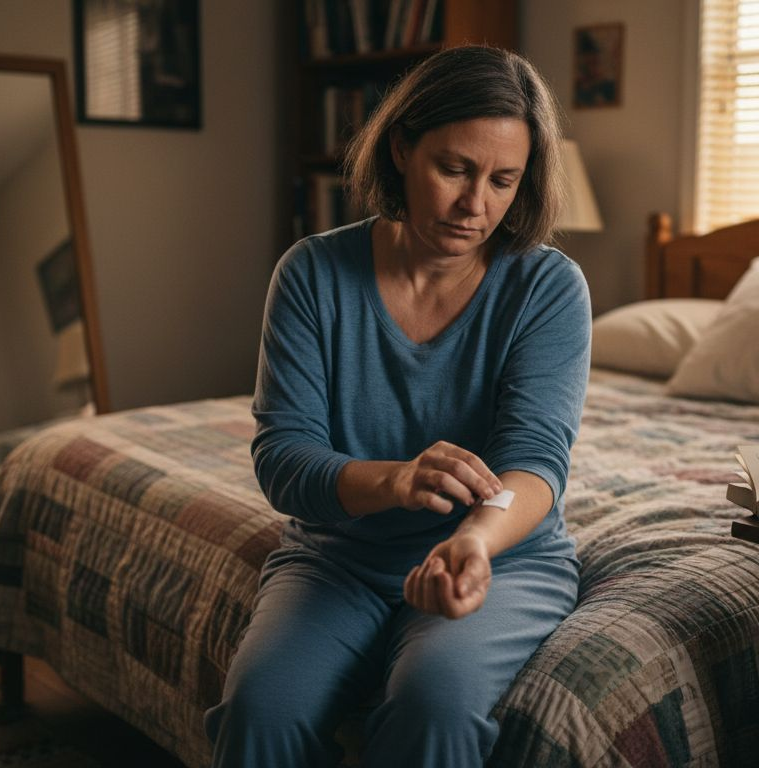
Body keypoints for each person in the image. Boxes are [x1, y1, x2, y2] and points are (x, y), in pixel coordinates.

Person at [205, 45, 591, 768]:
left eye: (503, 180)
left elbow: (536, 462)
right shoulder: (314, 273)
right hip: (339, 558)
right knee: (262, 712)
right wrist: (395, 480)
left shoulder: (548, 287)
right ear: (402, 147)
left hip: (500, 560)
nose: (476, 204)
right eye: (455, 169)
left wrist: (473, 542)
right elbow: (284, 460)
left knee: (434, 709)